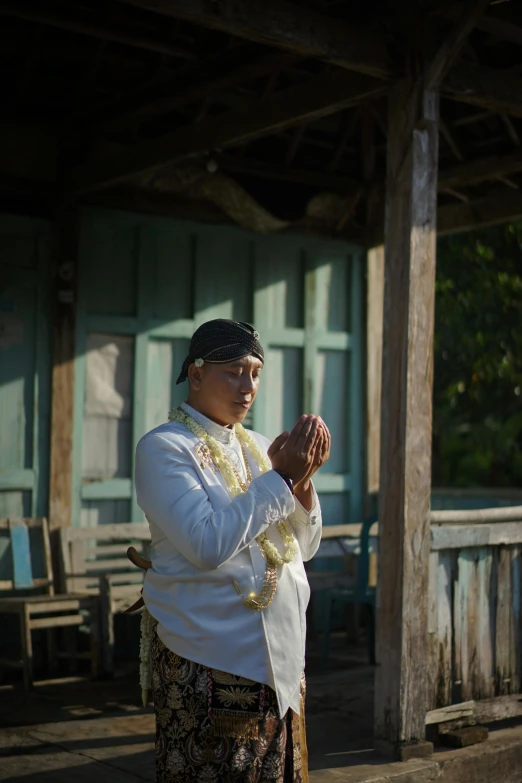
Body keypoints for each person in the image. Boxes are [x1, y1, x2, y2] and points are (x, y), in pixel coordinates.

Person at [134, 318, 330, 783]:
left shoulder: (260, 447)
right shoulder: (165, 448)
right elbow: (207, 544)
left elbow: (302, 547)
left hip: (281, 666)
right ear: (196, 375)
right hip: (210, 660)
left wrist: (300, 485)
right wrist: (281, 478)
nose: (248, 386)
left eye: (256, 373)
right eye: (234, 371)